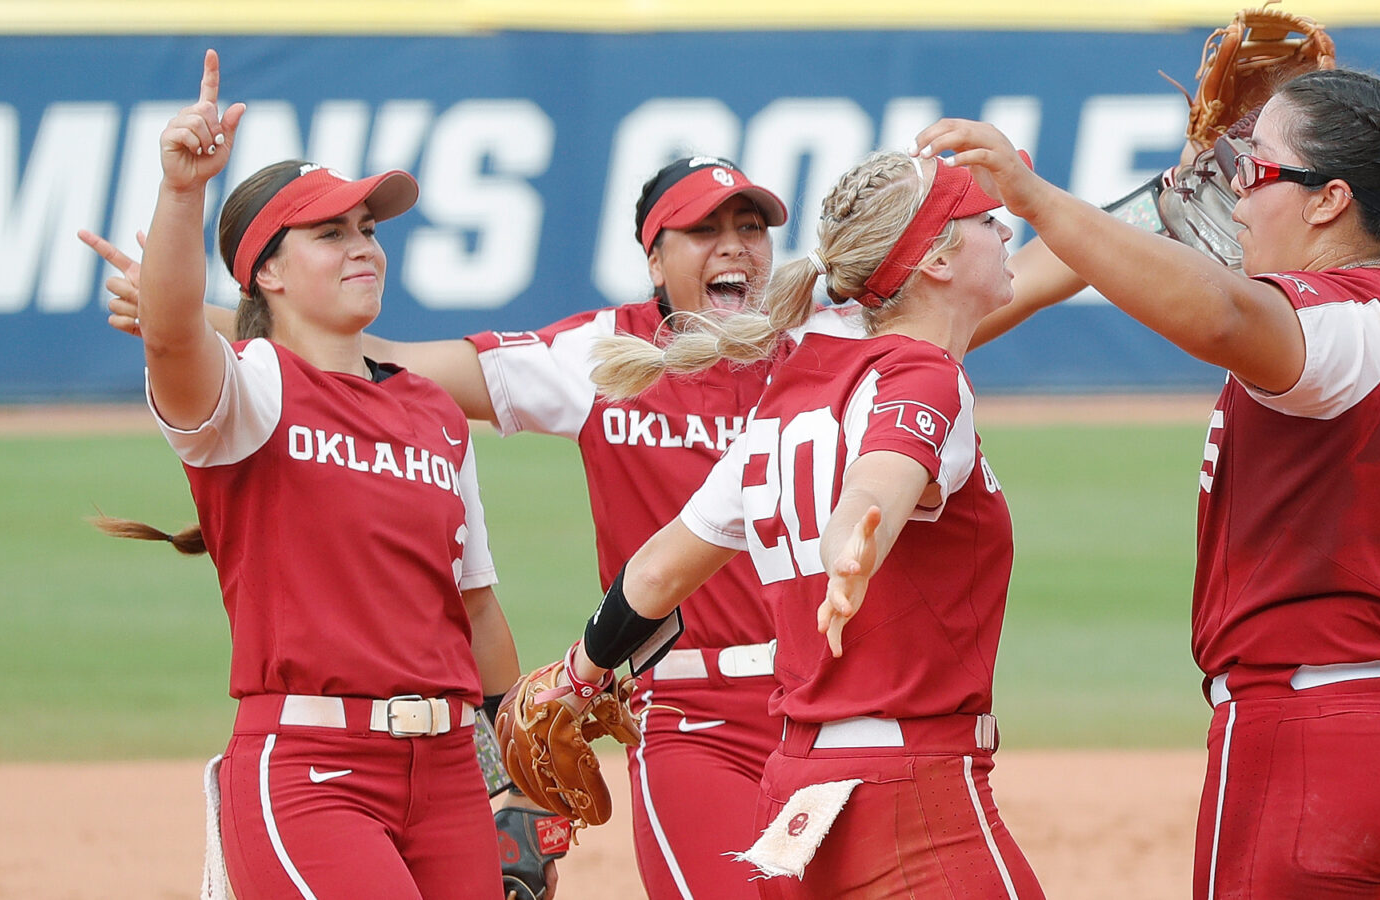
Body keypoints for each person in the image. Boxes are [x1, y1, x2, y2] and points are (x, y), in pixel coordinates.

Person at [85, 150, 1058, 899]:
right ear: (652, 254)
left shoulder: (820, 351)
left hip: (813, 702)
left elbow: (972, 309)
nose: (732, 243)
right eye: (701, 227)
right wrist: (203, 319)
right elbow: (388, 366)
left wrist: (1110, 217)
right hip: (699, 714)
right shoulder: (604, 352)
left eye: (750, 223)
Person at [913, 67, 1380, 899]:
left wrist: (1033, 197)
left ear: (1328, 201)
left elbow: (1221, 315)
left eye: (1255, 170)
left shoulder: (1333, 327)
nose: (1236, 193)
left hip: (1325, 751)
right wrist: (1154, 207)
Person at [554, 148, 1045, 900]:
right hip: (912, 799)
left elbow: (656, 574)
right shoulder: (923, 376)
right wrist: (853, 545)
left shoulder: (785, 396)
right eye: (985, 220)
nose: (1005, 233)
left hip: (798, 794)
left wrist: (574, 679)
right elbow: (880, 477)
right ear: (939, 258)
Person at [94, 50, 522, 899]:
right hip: (312, 771)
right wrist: (184, 192)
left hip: (445, 776)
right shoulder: (252, 390)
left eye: (368, 228)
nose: (362, 246)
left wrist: (515, 772)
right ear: (268, 273)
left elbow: (472, 606)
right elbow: (176, 336)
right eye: (331, 233)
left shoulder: (432, 412)